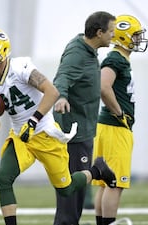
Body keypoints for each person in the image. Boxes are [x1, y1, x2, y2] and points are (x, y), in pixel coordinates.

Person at [0, 27, 117, 225]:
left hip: (44, 132)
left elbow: (52, 91)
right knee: (3, 178)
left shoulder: (20, 67)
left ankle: (96, 170)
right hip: (20, 136)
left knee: (65, 188)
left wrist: (33, 120)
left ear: (1, 49)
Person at [52, 11, 116, 225]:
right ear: (99, 33)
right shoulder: (77, 54)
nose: (113, 36)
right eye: (111, 32)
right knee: (71, 194)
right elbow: (62, 76)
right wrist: (61, 96)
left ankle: (97, 169)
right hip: (73, 135)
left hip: (83, 130)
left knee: (74, 194)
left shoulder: (88, 49)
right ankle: (98, 170)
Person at [91, 14, 148, 225]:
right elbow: (103, 87)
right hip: (114, 127)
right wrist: (118, 112)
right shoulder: (115, 58)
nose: (139, 39)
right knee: (115, 182)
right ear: (124, 36)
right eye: (135, 35)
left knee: (106, 182)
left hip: (109, 127)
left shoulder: (120, 58)